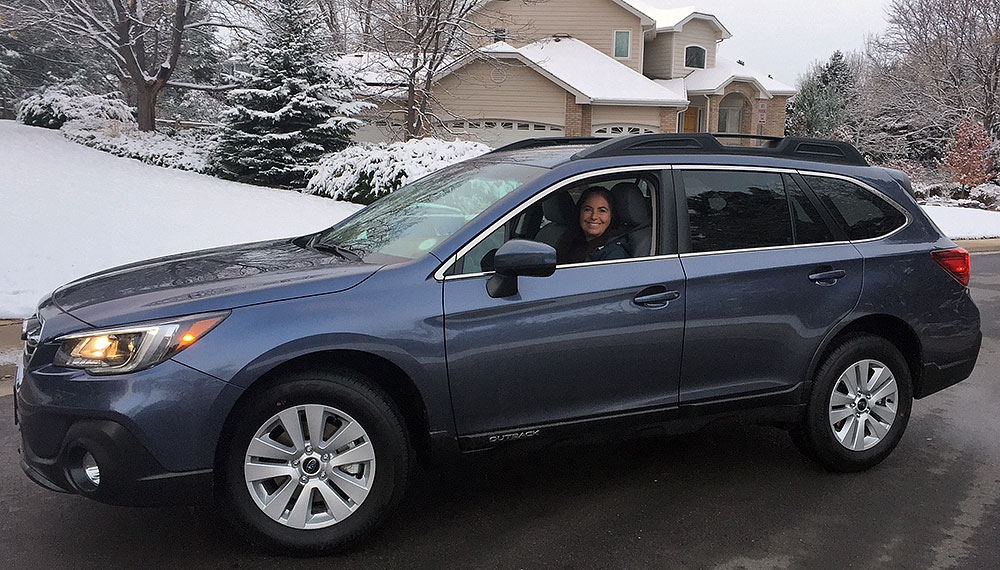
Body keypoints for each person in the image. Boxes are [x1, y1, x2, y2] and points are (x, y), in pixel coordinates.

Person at [555, 186, 629, 264]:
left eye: (602, 211)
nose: (594, 217)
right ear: (579, 212)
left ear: (611, 215)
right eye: (588, 210)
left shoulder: (614, 254)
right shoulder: (570, 240)